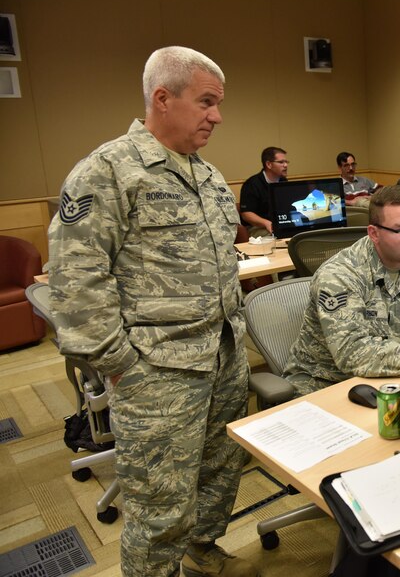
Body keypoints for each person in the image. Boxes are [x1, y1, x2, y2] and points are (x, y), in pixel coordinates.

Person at [47, 47, 257, 577]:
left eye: (218, 103)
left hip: (223, 356)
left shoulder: (206, 175)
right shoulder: (107, 172)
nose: (218, 115)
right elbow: (75, 280)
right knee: (160, 505)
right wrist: (122, 365)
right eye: (207, 102)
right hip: (158, 371)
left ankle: (203, 554)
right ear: (163, 98)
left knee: (219, 472)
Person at [283, 185, 400, 396]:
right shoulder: (340, 276)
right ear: (374, 233)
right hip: (324, 383)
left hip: (393, 376)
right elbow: (352, 352)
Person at [239, 146, 288, 236]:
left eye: (286, 162)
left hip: (281, 223)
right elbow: (246, 214)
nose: (285, 165)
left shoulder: (283, 181)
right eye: (281, 162)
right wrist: (266, 223)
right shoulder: (252, 184)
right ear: (269, 164)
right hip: (258, 227)